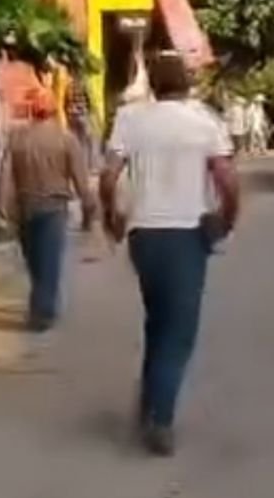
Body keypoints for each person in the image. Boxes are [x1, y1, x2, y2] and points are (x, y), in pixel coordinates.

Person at [99, 53, 240, 457]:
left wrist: (112, 217)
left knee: (158, 319)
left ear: (154, 85)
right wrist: (226, 218)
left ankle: (149, 401)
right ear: (187, 83)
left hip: (143, 234)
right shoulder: (204, 121)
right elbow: (227, 178)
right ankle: (160, 420)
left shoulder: (131, 119)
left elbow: (108, 176)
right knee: (178, 331)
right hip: (186, 234)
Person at [0, 87, 96, 331]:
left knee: (35, 261)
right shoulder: (66, 139)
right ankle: (43, 312)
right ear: (54, 109)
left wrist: (1, 207)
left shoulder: (18, 139)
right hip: (54, 208)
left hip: (25, 206)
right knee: (49, 262)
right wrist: (89, 211)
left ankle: (40, 306)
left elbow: (5, 177)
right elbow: (82, 182)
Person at [64, 75, 100, 174]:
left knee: (76, 143)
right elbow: (90, 101)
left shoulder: (69, 86)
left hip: (71, 116)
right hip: (83, 115)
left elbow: (65, 102)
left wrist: (68, 114)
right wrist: (93, 115)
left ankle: (77, 168)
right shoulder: (84, 85)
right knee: (87, 142)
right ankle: (89, 167)